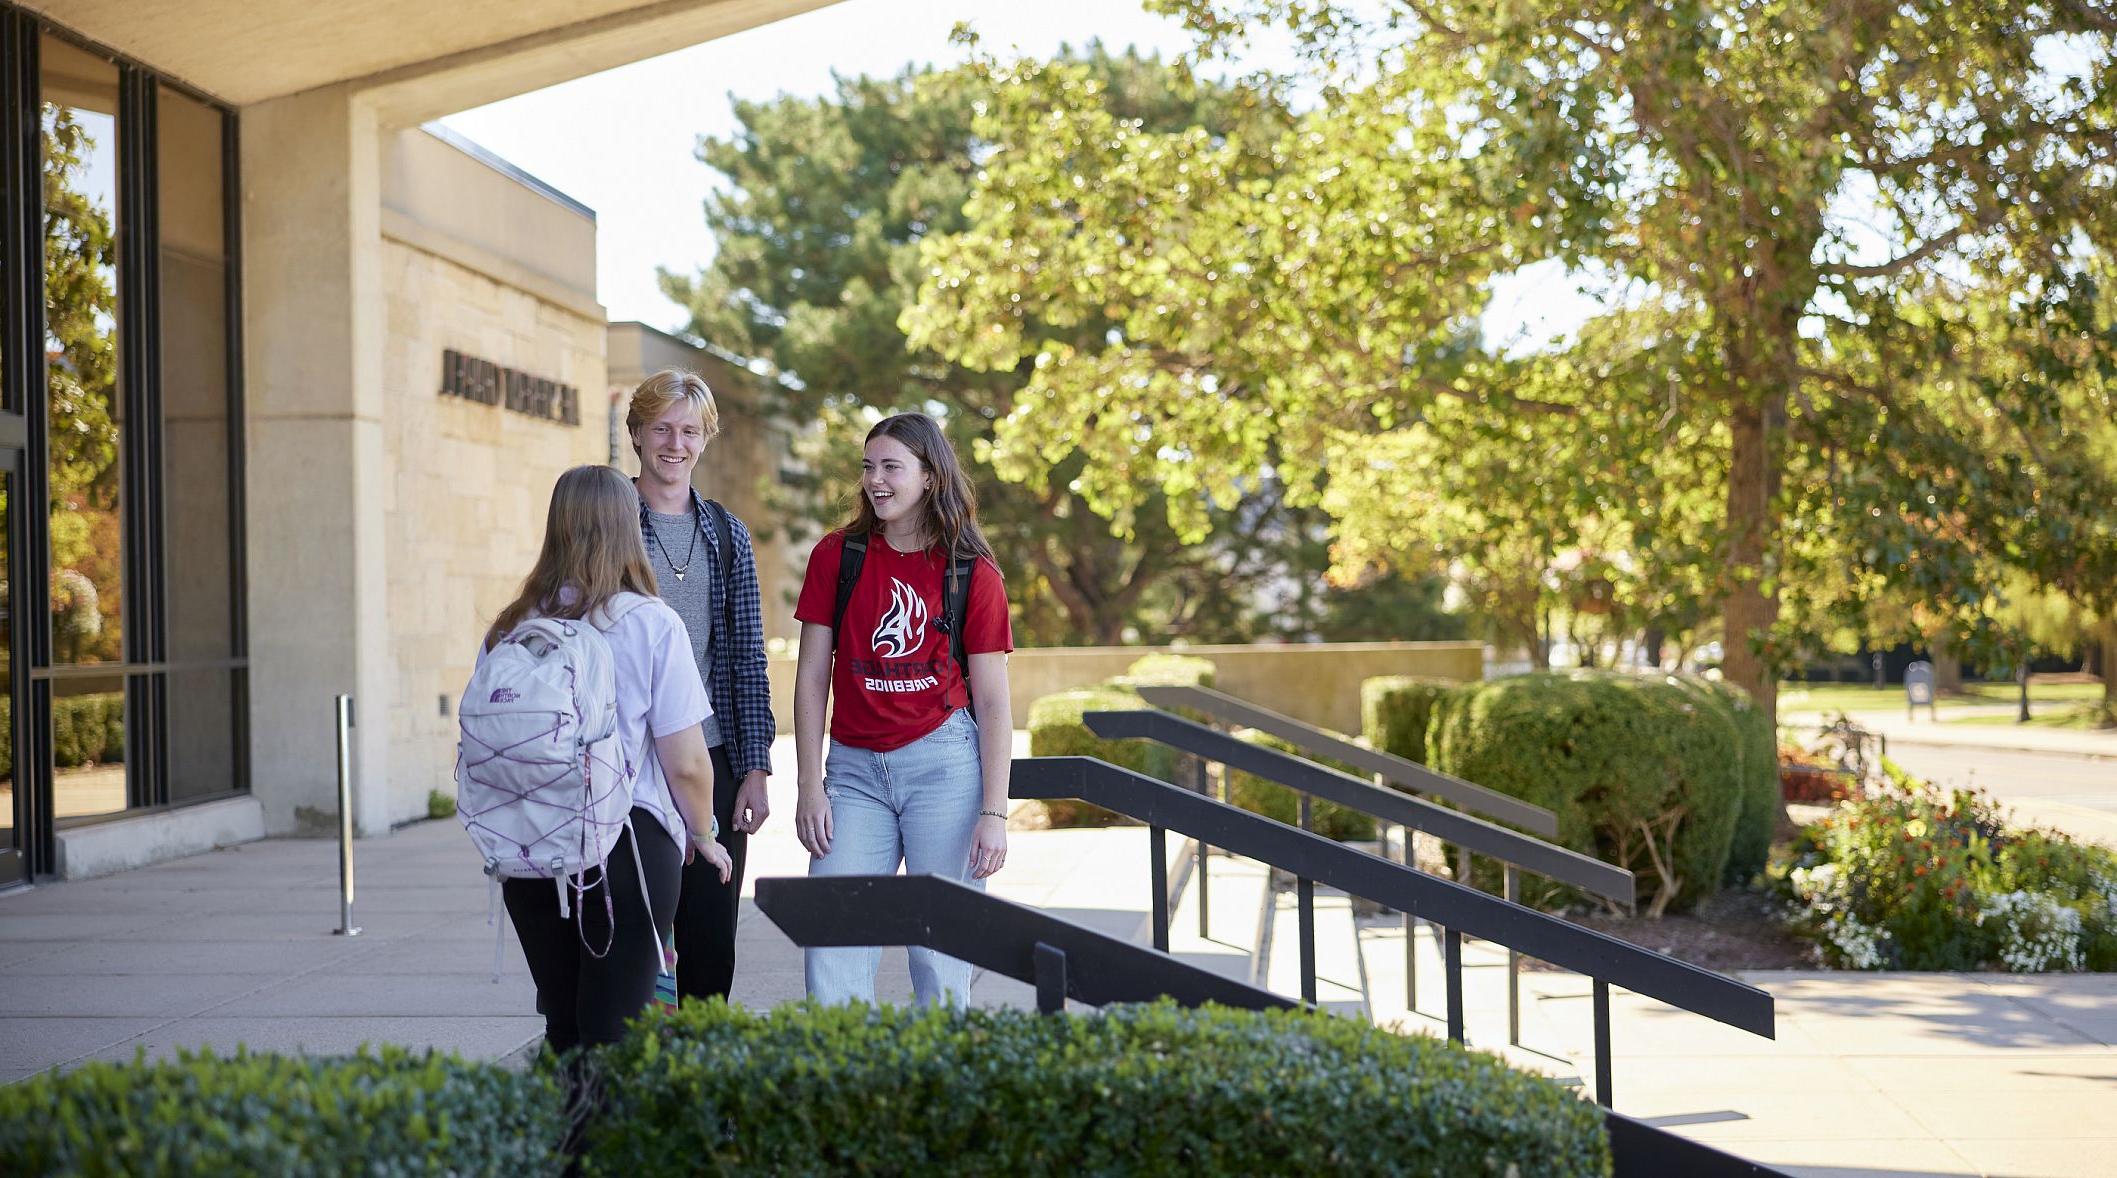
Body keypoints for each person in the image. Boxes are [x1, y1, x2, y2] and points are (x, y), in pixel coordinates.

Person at [483, 464, 732, 1053]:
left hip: (531, 849)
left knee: (565, 1028)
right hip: (626, 846)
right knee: (616, 1034)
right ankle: (605, 1144)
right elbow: (688, 762)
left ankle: (571, 1144)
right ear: (629, 528)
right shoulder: (649, 622)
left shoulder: (512, 626)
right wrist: (704, 833)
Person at [791, 412, 1015, 1007]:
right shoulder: (837, 556)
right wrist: (809, 785)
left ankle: (935, 1095)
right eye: (869, 467)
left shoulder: (973, 573)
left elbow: (993, 702)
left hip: (943, 769)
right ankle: (843, 1094)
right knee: (834, 938)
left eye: (892, 467)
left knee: (940, 953)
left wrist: (995, 810)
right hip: (853, 775)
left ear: (930, 477)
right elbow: (812, 676)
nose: (876, 480)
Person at [626, 369, 775, 1004]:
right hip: (625, 759)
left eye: (689, 431)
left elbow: (746, 658)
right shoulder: (610, 521)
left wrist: (755, 767)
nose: (675, 444)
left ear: (705, 439)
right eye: (661, 428)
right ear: (635, 434)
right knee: (634, 931)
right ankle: (633, 1074)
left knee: (711, 933)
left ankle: (703, 1072)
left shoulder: (726, 533)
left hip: (708, 756)